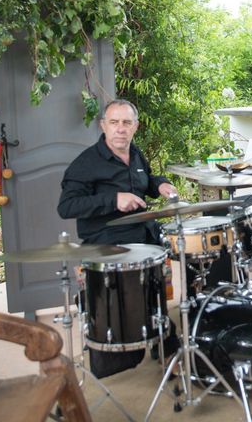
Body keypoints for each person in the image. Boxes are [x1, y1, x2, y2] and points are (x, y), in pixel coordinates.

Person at [58, 99, 179, 376]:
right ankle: (129, 346)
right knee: (124, 305)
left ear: (135, 127)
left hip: (141, 239)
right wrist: (114, 200)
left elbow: (145, 179)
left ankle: (164, 343)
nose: (120, 129)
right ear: (103, 126)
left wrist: (159, 183)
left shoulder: (135, 154)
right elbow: (66, 206)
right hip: (106, 242)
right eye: (114, 122)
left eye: (126, 123)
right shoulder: (86, 163)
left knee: (157, 286)